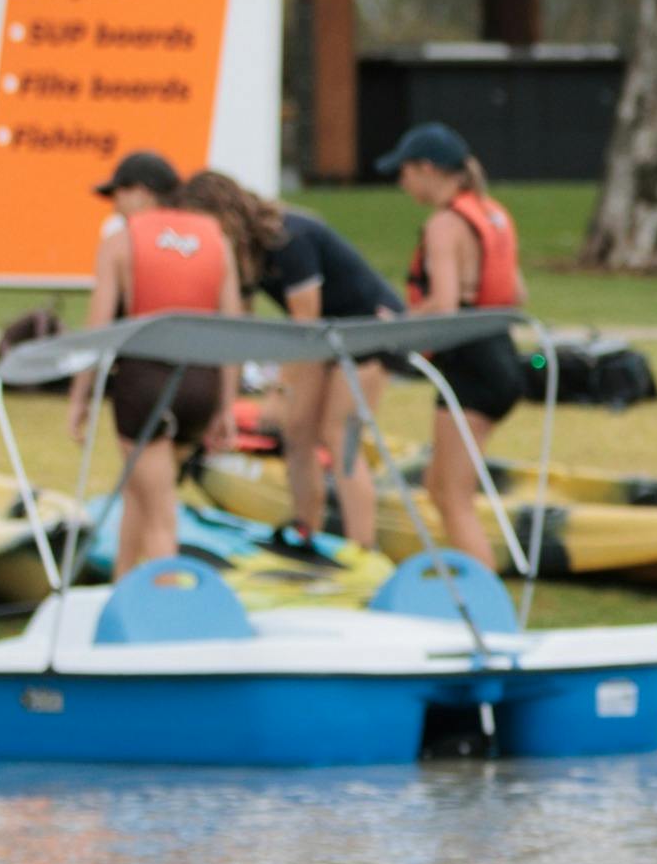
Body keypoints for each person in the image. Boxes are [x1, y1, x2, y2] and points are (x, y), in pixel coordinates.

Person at [183, 167, 399, 555]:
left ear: (222, 213)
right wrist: (224, 397)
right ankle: (306, 534)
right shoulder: (241, 253)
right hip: (325, 339)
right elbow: (240, 322)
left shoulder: (287, 236)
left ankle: (363, 551)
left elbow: (305, 317)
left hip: (370, 333)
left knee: (338, 434)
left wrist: (280, 389)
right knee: (296, 433)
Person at [70, 148, 237, 572]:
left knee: (161, 513)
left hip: (144, 385)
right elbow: (233, 329)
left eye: (118, 194)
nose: (115, 206)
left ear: (142, 192)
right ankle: (123, 585)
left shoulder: (119, 243)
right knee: (138, 493)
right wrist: (226, 406)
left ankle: (166, 615)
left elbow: (98, 332)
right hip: (201, 385)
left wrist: (79, 398)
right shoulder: (216, 239)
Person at [384, 122, 533, 568]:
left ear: (427, 169)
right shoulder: (493, 213)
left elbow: (445, 303)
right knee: (440, 484)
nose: (401, 183)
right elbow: (517, 294)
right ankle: (466, 583)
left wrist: (395, 324)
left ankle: (486, 605)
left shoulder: (445, 225)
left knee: (452, 496)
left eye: (404, 172)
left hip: (470, 366)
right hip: (500, 355)